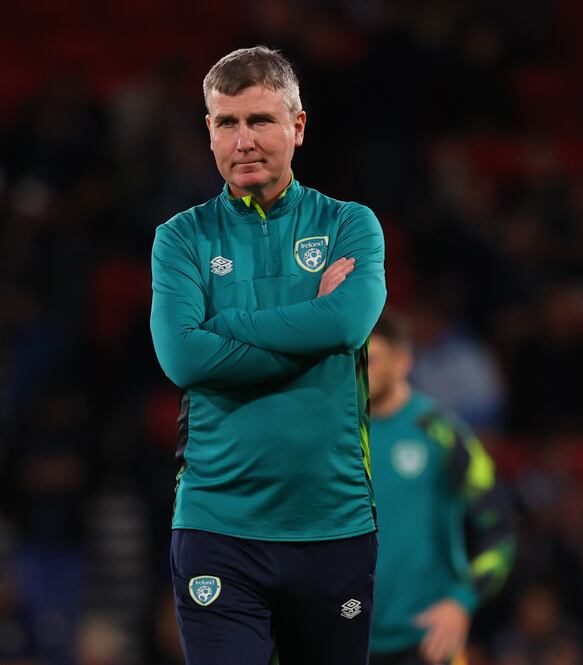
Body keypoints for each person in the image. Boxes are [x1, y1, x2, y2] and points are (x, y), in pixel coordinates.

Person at [149, 46, 386, 665]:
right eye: (227, 122)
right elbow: (183, 359)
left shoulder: (351, 224)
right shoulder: (180, 238)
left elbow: (349, 321)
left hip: (333, 521)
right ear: (209, 131)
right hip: (217, 524)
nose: (244, 140)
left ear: (297, 126)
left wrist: (225, 326)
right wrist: (315, 332)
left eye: (260, 120)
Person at [367, 311, 516, 665]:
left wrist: (462, 601)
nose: (358, 371)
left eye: (371, 360)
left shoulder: (441, 433)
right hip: (348, 638)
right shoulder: (336, 434)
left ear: (402, 362)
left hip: (426, 644)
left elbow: (500, 526)